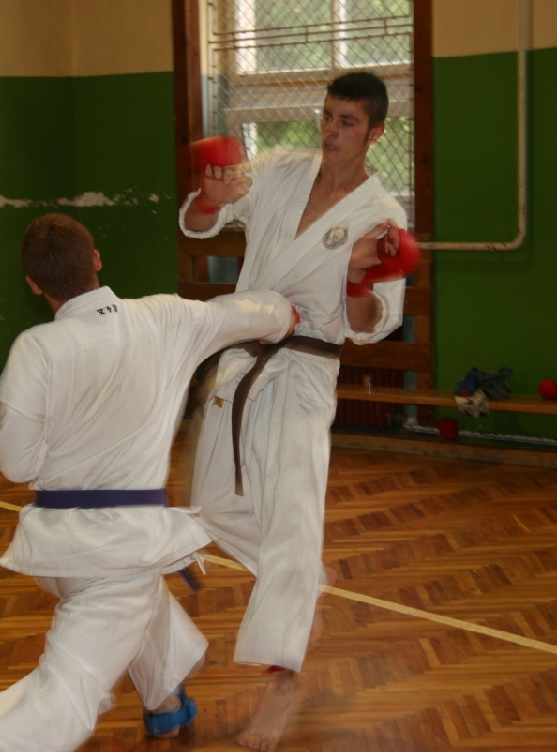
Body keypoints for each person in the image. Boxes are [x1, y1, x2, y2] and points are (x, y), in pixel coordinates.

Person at [0, 213, 297, 752]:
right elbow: (241, 311)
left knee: (138, 598)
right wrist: (284, 314)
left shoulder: (34, 348)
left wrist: (67, 462)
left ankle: (166, 705)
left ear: (34, 284)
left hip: (54, 549)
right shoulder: (165, 318)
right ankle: (1, 741)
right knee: (74, 677)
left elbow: (16, 465)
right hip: (119, 548)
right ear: (96, 260)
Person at [179, 72, 407, 751]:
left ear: (375, 133)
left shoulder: (382, 217)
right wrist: (210, 198)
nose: (331, 132)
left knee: (291, 523)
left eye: (347, 122)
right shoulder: (281, 170)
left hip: (305, 372)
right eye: (328, 116)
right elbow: (202, 222)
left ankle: (281, 685)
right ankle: (302, 581)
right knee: (210, 506)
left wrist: (359, 277)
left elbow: (369, 326)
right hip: (239, 363)